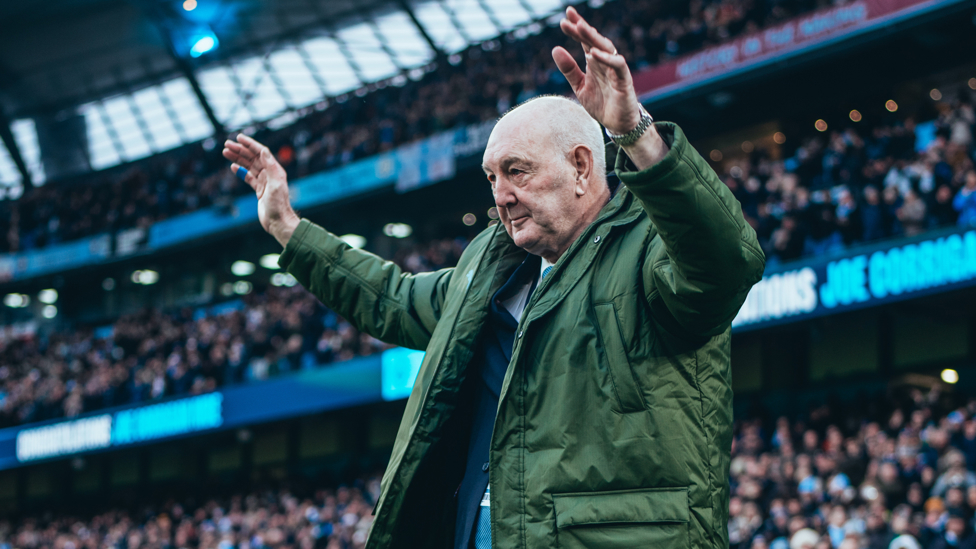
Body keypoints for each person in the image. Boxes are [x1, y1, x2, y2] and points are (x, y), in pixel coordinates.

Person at [223, 6, 764, 548]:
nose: (501, 195)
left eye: (517, 171)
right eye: (491, 177)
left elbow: (725, 263)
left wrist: (634, 133)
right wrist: (289, 229)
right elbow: (392, 298)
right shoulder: (491, 266)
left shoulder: (651, 246)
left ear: (581, 166)